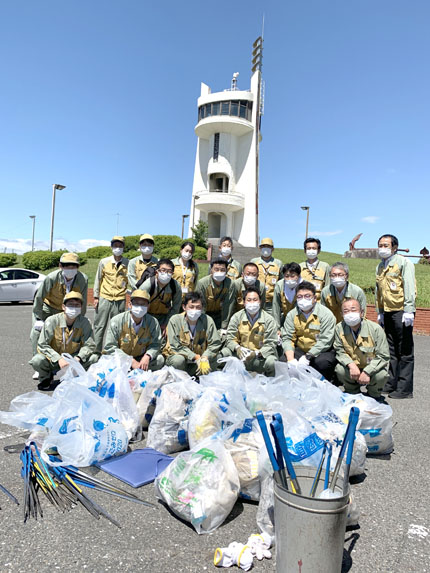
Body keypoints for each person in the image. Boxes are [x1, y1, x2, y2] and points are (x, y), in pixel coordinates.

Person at [30, 252, 88, 379]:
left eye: (73, 266)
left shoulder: (83, 279)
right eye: (67, 265)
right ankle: (39, 367)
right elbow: (39, 298)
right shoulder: (52, 278)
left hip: (68, 309)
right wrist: (39, 319)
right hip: (49, 308)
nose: (70, 269)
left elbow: (82, 301)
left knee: (67, 334)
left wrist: (80, 317)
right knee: (36, 333)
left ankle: (67, 362)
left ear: (78, 267)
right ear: (60, 266)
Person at [29, 292, 97, 391]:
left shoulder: (85, 322)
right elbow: (42, 345)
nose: (74, 308)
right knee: (37, 360)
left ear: (81, 308)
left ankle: (77, 377)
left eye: (77, 305)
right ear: (63, 307)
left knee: (94, 358)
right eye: (71, 305)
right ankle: (46, 378)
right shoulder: (52, 321)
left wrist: (78, 358)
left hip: (74, 359)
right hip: (54, 360)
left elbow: (90, 344)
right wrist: (58, 359)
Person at [375, 234, 416, 399]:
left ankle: (405, 388)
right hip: (388, 311)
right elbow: (379, 291)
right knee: (391, 349)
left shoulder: (404, 262)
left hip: (401, 310)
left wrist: (409, 309)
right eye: (380, 245)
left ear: (395, 247)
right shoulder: (380, 266)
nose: (382, 248)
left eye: (386, 245)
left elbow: (409, 285)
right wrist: (380, 312)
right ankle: (391, 383)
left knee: (404, 350)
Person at [334, 299, 389, 401]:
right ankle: (352, 392)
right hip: (353, 367)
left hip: (371, 367)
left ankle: (374, 395)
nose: (350, 314)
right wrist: (351, 365)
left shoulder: (375, 329)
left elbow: (383, 356)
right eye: (346, 311)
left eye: (353, 310)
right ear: (341, 314)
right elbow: (339, 350)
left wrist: (367, 372)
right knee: (340, 369)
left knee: (382, 375)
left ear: (361, 312)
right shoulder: (339, 328)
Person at [281, 281, 337, 381]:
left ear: (314, 298)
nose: (303, 299)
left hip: (321, 350)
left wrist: (308, 357)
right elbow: (288, 338)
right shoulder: (292, 314)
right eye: (299, 296)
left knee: (322, 363)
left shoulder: (326, 314)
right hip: (301, 348)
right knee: (283, 362)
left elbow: (326, 340)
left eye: (307, 296)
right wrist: (290, 360)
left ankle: (325, 383)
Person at [221, 287, 278, 376]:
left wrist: (256, 353)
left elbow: (271, 343)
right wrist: (237, 348)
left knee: (272, 362)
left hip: (259, 359)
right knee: (224, 353)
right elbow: (230, 338)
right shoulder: (237, 317)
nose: (252, 303)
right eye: (249, 300)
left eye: (255, 300)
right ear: (244, 303)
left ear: (260, 302)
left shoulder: (269, 320)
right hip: (241, 357)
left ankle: (270, 381)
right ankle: (227, 376)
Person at [103, 289, 164, 371]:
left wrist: (147, 356)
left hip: (140, 358)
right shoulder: (117, 321)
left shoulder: (153, 322)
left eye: (143, 304)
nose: (140, 307)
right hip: (121, 359)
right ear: (130, 305)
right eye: (136, 304)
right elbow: (110, 347)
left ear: (148, 306)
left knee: (160, 360)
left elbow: (156, 344)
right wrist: (130, 360)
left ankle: (140, 372)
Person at [163, 292, 221, 375]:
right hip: (182, 361)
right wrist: (195, 357)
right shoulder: (175, 320)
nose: (195, 310)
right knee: (178, 360)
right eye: (191, 307)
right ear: (184, 307)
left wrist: (205, 357)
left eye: (198, 307)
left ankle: (200, 374)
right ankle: (179, 376)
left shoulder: (208, 320)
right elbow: (175, 346)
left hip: (200, 360)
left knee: (217, 357)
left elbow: (215, 343)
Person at [93, 236, 129, 353]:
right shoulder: (104, 262)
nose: (117, 248)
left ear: (123, 248)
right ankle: (96, 352)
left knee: (117, 327)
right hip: (105, 297)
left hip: (120, 299)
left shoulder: (127, 263)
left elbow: (129, 281)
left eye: (120, 246)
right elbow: (98, 279)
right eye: (115, 246)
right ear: (111, 247)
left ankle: (113, 353)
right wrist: (96, 297)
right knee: (99, 326)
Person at [138, 258, 182, 335]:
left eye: (169, 271)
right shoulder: (148, 285)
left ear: (172, 273)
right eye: (163, 270)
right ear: (157, 272)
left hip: (164, 317)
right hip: (146, 316)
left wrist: (167, 324)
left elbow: (176, 307)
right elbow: (139, 305)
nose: (166, 273)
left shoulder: (175, 286)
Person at [195, 258, 236, 331]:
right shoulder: (202, 284)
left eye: (222, 270)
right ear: (211, 270)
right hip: (205, 314)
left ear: (226, 271)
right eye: (216, 269)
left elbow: (228, 306)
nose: (219, 272)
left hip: (220, 315)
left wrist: (224, 326)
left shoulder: (230, 284)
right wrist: (202, 323)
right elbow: (201, 305)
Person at [251, 238, 283, 313]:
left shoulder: (278, 263)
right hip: (256, 300)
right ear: (260, 248)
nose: (266, 248)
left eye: (268, 246)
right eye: (263, 246)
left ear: (272, 249)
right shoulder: (254, 261)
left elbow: (282, 281)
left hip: (272, 303)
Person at [272, 263, 302, 331]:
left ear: (298, 275)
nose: (289, 279)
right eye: (287, 276)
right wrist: (277, 328)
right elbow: (276, 307)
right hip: (285, 320)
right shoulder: (280, 285)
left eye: (292, 276)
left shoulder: (305, 286)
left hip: (301, 321)